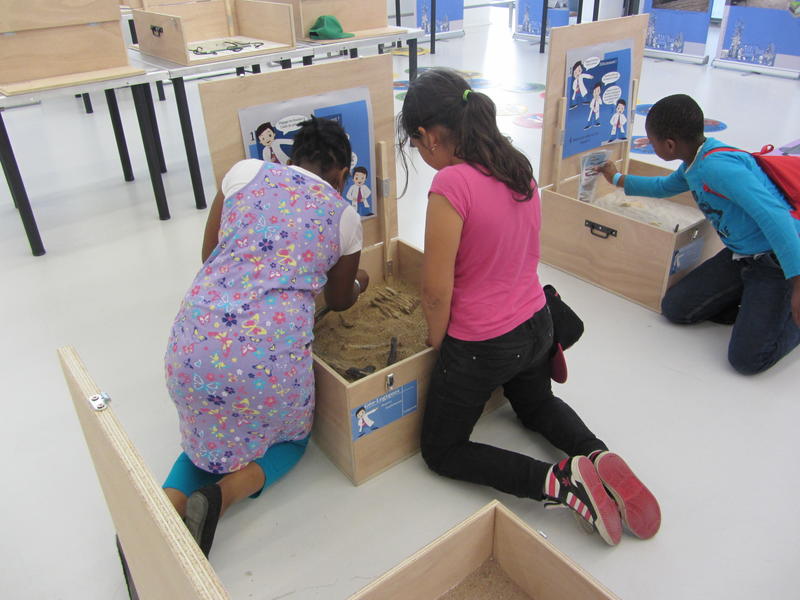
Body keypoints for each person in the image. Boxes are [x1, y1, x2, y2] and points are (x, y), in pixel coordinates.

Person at [397, 68, 660, 546]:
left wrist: (438, 346)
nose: (420, 153)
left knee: (442, 450)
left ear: (428, 135)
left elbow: (435, 291)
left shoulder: (451, 186)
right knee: (536, 403)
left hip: (484, 345)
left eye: (415, 144)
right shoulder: (516, 163)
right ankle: (595, 455)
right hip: (536, 325)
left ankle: (559, 482)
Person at [162, 117, 369, 556]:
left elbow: (208, 254)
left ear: (293, 158)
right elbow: (339, 298)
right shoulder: (344, 216)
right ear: (342, 175)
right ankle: (224, 496)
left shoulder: (243, 173)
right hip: (266, 365)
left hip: (191, 344)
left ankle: (162, 509)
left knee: (206, 438)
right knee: (292, 440)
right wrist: (359, 282)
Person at [596, 94, 800, 375]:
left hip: (774, 260)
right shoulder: (693, 162)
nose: (649, 145)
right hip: (740, 256)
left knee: (747, 360)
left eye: (651, 141)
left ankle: (788, 319)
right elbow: (663, 186)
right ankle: (752, 301)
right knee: (676, 309)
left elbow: (777, 219)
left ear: (669, 144)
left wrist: (797, 284)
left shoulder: (719, 168)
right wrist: (617, 179)